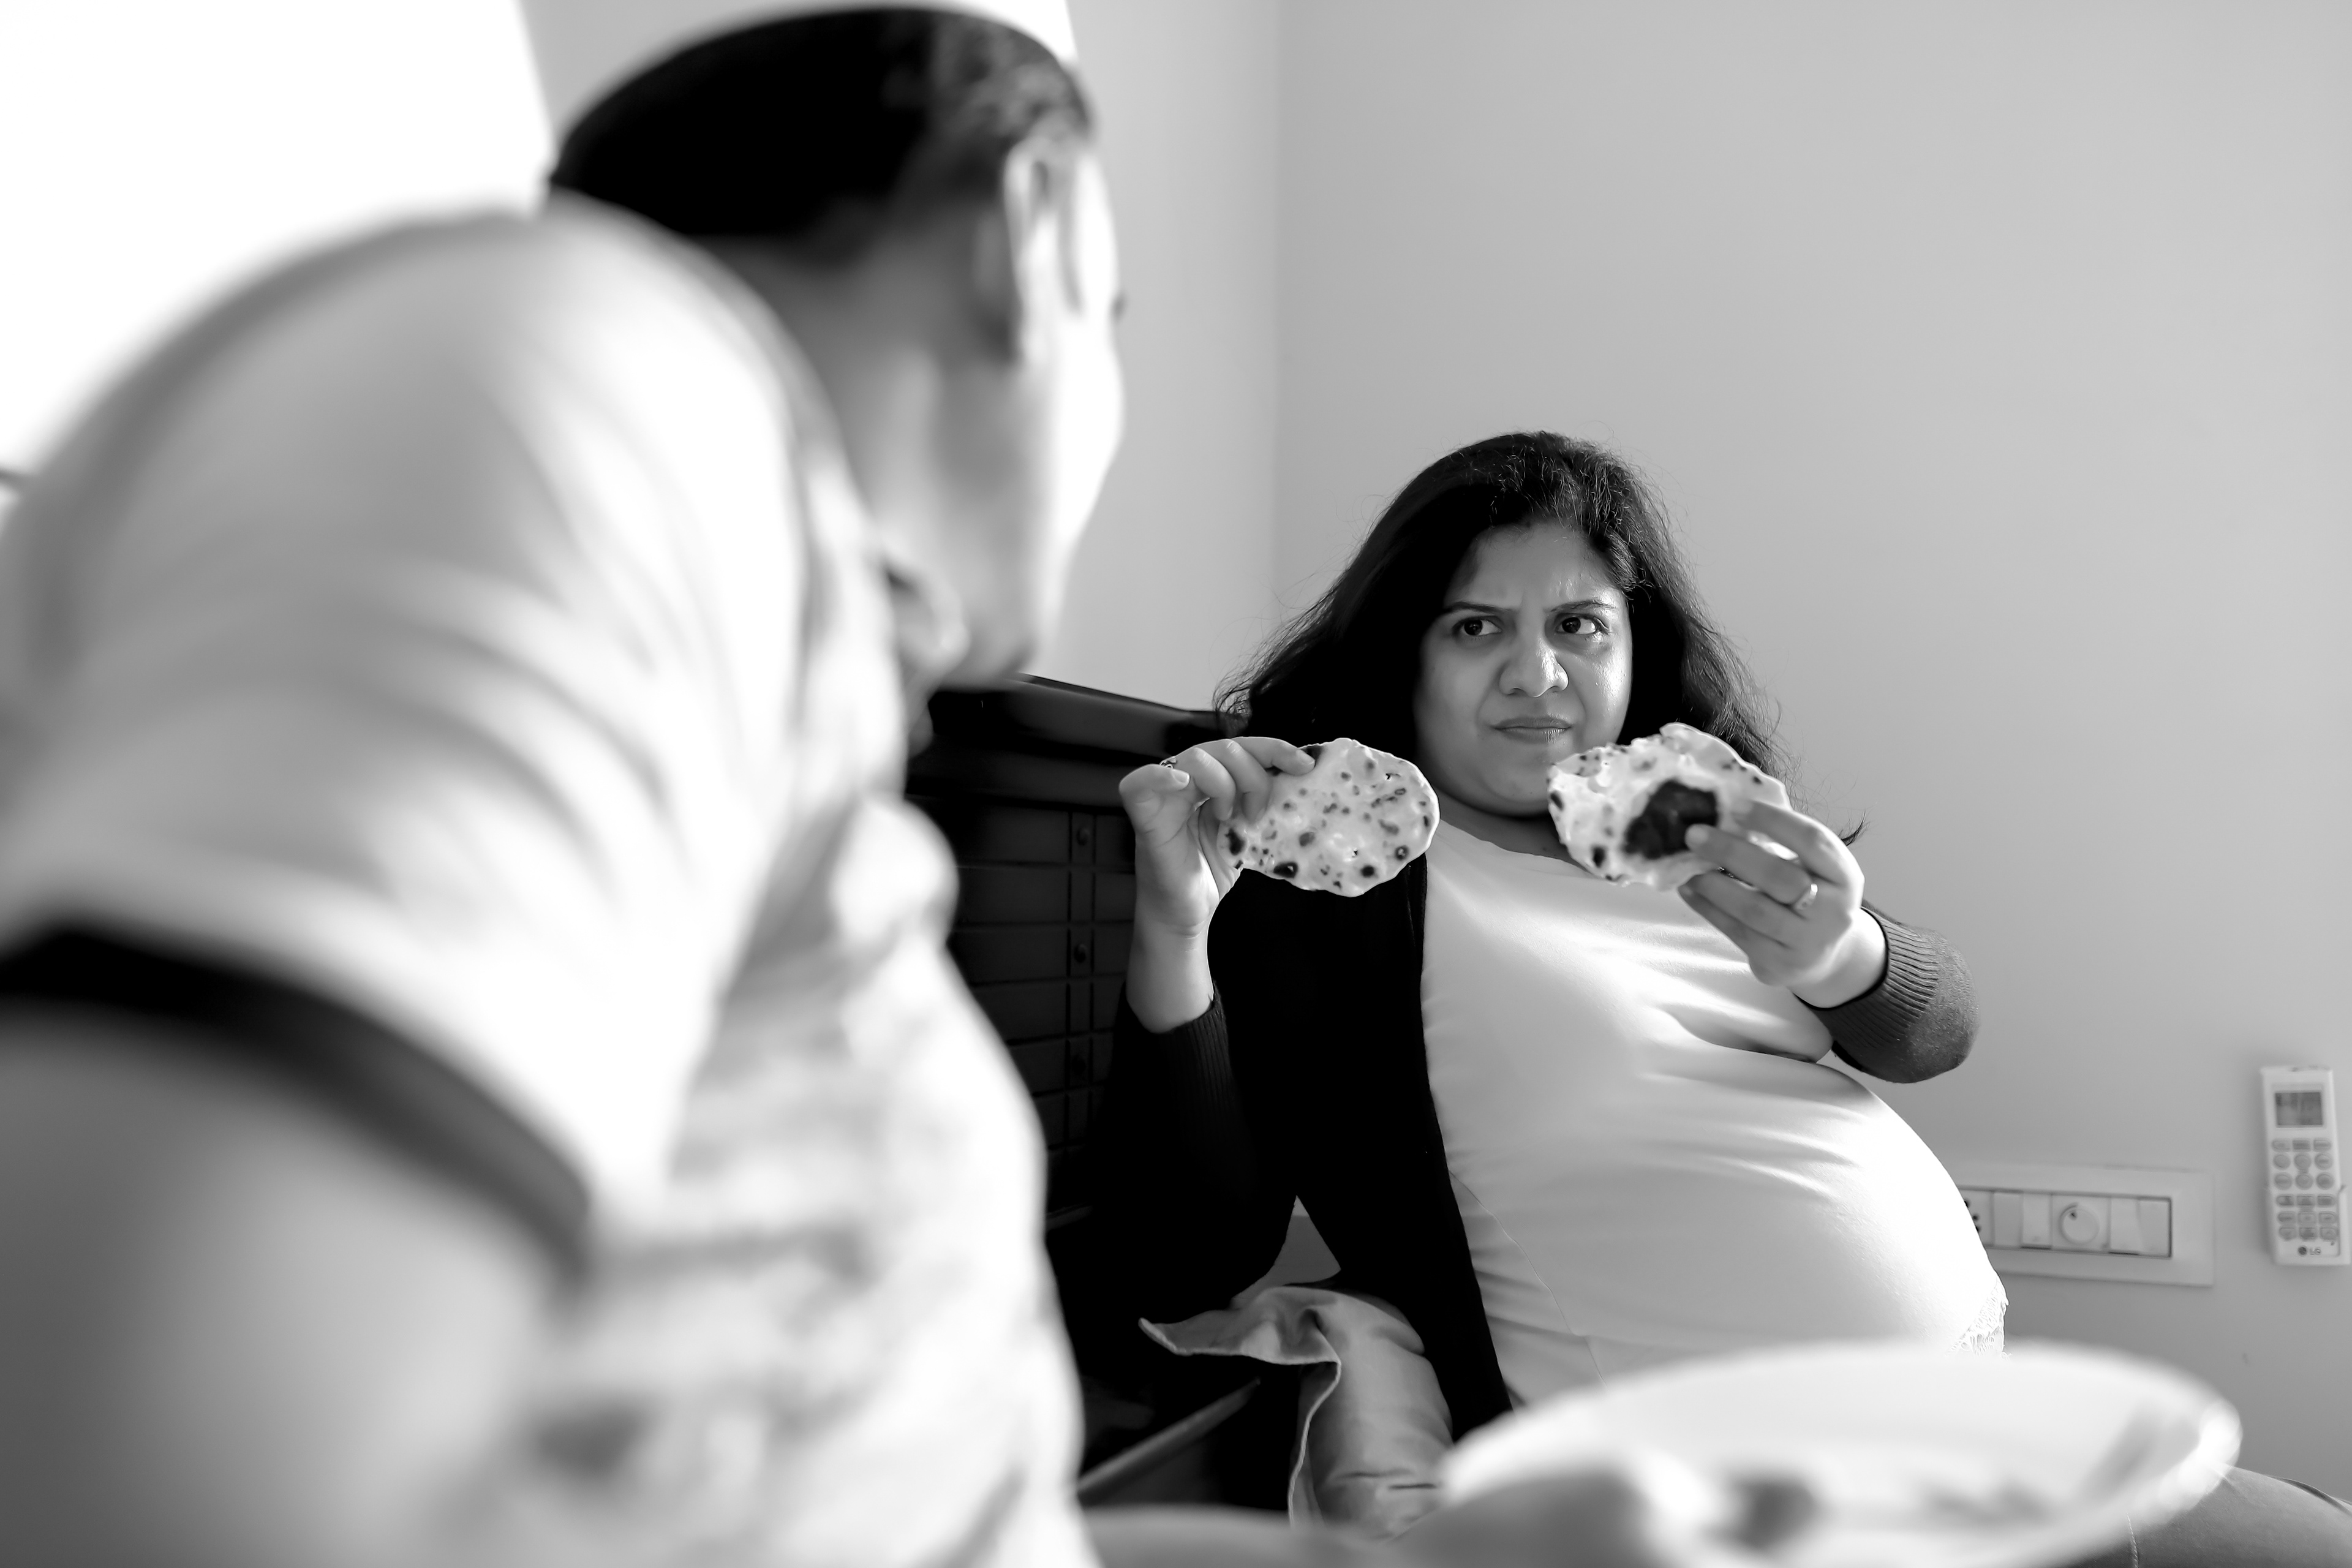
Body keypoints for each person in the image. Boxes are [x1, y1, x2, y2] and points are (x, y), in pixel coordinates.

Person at [0, 8, 1766, 1568]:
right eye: (1118, 324)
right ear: (1031, 236)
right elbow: (158, 1453)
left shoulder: (790, 707)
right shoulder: (591, 381)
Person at [1100, 431, 2352, 1564]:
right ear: (1406, 654)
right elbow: (1187, 1254)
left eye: (1580, 625)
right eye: (1476, 627)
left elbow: (1941, 1031)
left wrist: (1844, 955)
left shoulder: (1683, 824)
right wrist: (1175, 932)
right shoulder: (1340, 887)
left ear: (1634, 646)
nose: (1537, 673)